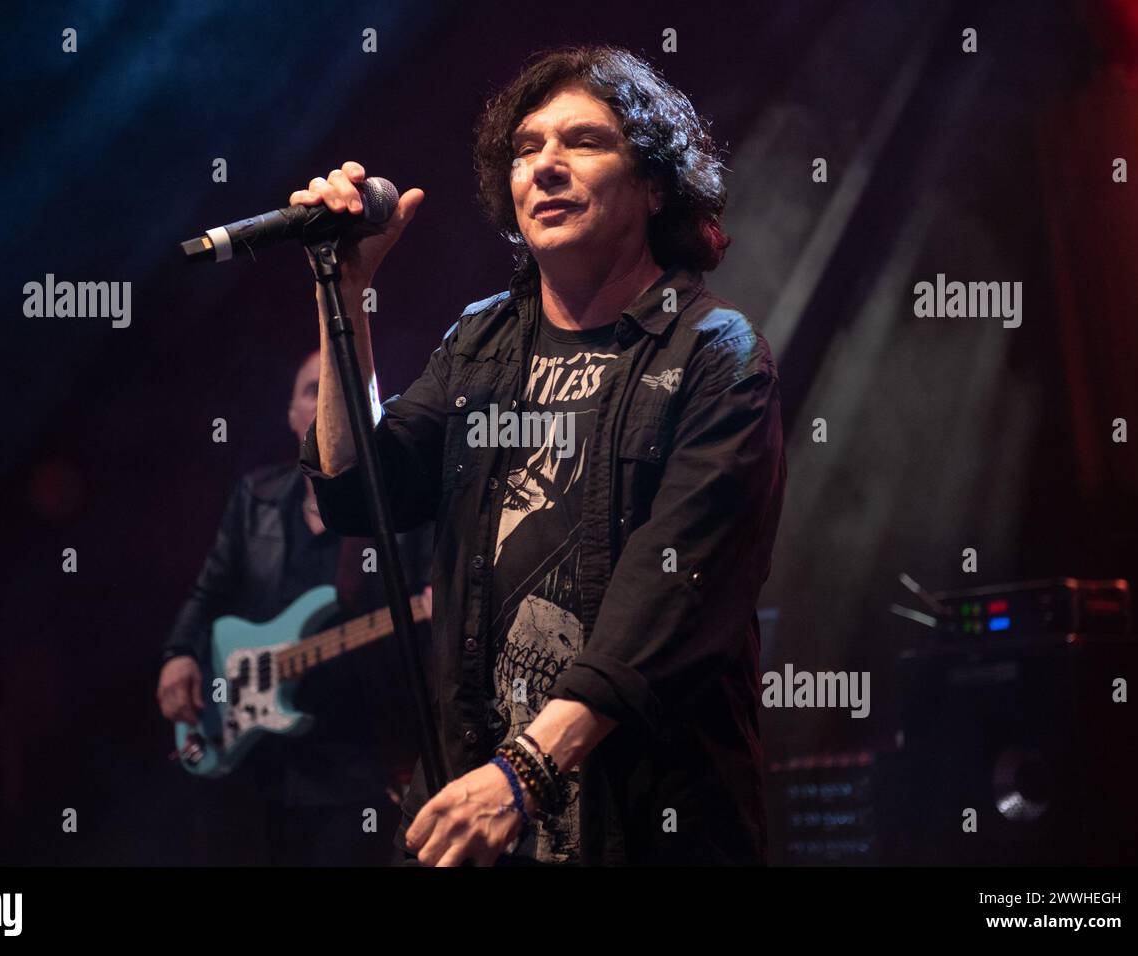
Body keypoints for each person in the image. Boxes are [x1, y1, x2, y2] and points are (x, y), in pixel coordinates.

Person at [295, 44, 787, 866]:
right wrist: (342, 297)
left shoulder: (715, 355)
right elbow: (358, 495)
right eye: (527, 149)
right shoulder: (481, 342)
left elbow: (670, 598)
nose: (547, 167)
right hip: (476, 817)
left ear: (655, 184)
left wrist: (523, 771)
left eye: (583, 142)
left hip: (641, 821)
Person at [157, 350, 433, 865]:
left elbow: (431, 631)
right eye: (313, 389)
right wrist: (179, 653)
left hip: (358, 772)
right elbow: (209, 592)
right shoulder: (256, 497)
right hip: (254, 768)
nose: (328, 400)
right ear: (290, 414)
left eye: (347, 389)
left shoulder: (399, 512)